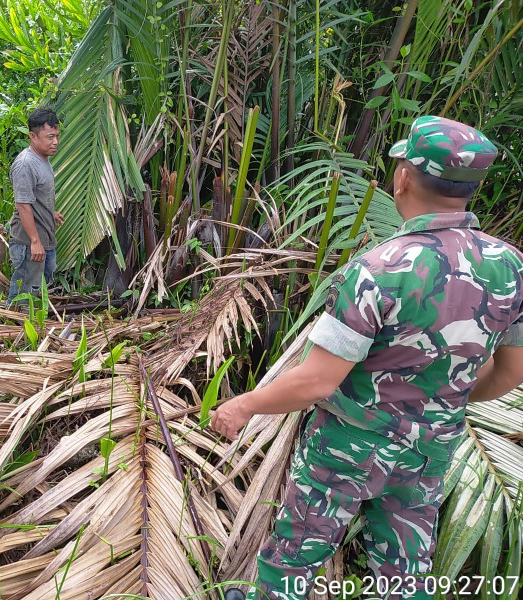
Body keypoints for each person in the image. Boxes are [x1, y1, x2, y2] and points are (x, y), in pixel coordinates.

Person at [211, 115, 523, 599]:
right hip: (430, 450)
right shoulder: (511, 267)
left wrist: (244, 405)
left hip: (348, 447)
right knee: (405, 569)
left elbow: (316, 382)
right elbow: (511, 373)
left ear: (403, 176)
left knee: (295, 554)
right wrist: (443, 403)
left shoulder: (379, 269)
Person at [7, 107, 64, 305]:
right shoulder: (25, 164)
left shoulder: (43, 159)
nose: (55, 142)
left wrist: (50, 213)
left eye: (57, 135)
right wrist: (34, 241)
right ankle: (14, 326)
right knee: (24, 291)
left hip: (45, 237)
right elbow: (22, 205)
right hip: (29, 242)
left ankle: (32, 326)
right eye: (49, 137)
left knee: (39, 286)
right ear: (32, 136)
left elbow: (34, 198)